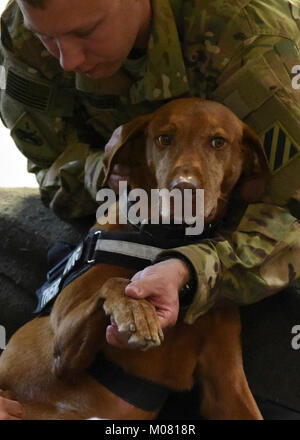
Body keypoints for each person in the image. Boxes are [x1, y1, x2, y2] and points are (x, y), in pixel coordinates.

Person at [0, 0, 299, 418]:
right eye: (48, 39)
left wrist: (188, 269)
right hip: (124, 210)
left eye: (87, 32)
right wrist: (107, 173)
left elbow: (291, 220)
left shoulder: (247, 33)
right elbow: (49, 163)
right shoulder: (23, 27)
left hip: (253, 231)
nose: (68, 60)